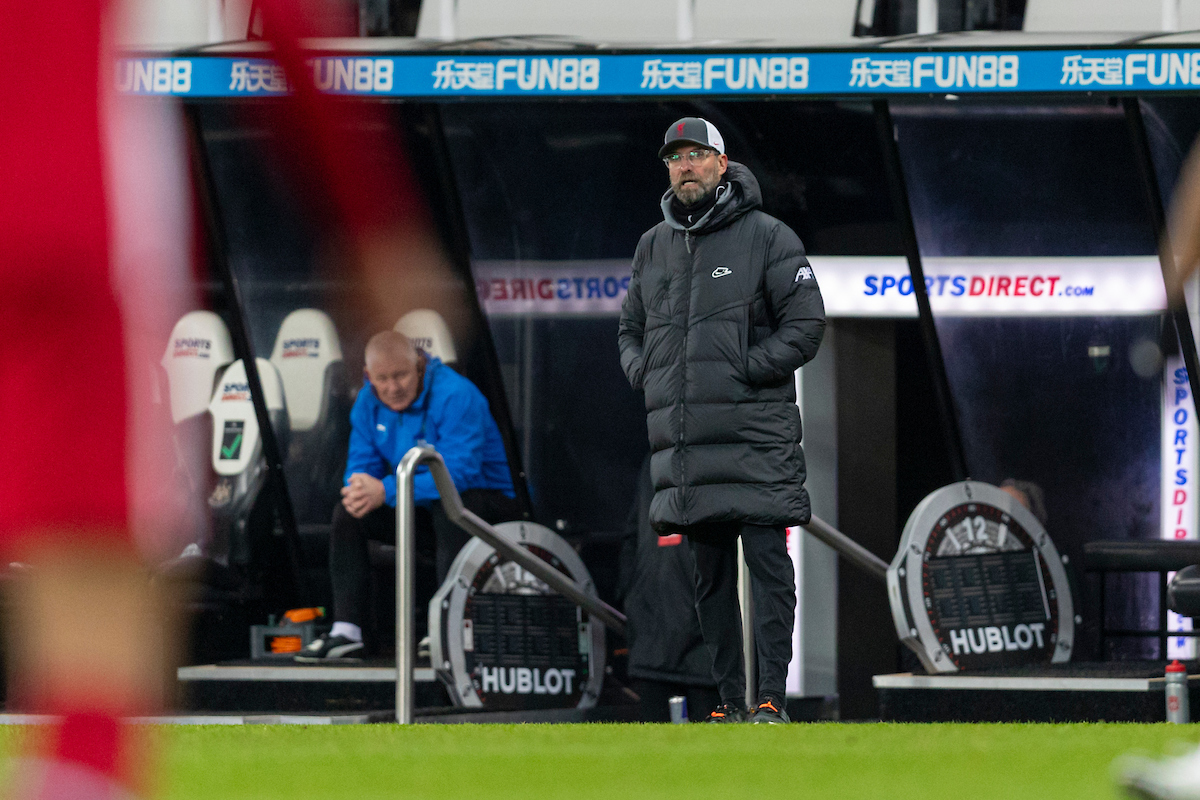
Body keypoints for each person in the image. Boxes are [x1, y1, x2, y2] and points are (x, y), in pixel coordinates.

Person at [618, 117, 825, 724]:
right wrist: (647, 373)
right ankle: (731, 702)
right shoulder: (652, 245)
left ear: (721, 163)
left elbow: (807, 326)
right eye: (675, 158)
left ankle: (770, 700)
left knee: (766, 569)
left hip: (755, 435)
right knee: (707, 578)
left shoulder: (769, 236)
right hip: (687, 444)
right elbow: (630, 330)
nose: (684, 166)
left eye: (696, 155)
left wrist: (741, 369)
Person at [298, 330, 520, 660]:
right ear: (368, 376)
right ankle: (347, 631)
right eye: (382, 379)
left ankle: (449, 626)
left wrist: (385, 489)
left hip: (491, 510)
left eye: (401, 375)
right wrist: (360, 490)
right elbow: (360, 467)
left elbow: (460, 474)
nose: (392, 388)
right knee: (350, 512)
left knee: (450, 503)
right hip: (423, 506)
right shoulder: (367, 402)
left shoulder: (456, 394)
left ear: (418, 365)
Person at [617, 456, 720, 722]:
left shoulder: (717, 454)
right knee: (654, 754)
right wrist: (633, 595)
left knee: (713, 754)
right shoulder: (653, 460)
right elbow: (634, 534)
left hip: (703, 640)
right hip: (655, 631)